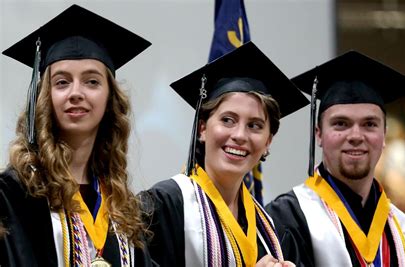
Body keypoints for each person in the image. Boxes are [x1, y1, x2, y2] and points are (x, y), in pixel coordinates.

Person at [0, 5, 154, 266]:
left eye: (91, 81)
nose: (76, 93)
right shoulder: (14, 195)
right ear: (45, 97)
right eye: (62, 82)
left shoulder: (122, 206)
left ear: (110, 99)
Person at [140, 41, 309, 266]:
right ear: (202, 128)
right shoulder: (164, 207)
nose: (240, 135)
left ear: (268, 141)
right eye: (227, 120)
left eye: (255, 125)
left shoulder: (270, 228)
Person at [265, 51, 405, 267]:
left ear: (384, 135)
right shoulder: (286, 220)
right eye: (341, 124)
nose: (356, 136)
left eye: (369, 124)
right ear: (318, 133)